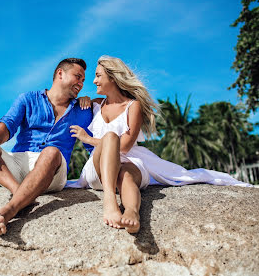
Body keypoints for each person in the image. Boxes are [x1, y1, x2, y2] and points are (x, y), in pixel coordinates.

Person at [67, 55, 252, 234]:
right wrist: (84, 100)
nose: (94, 81)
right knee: (110, 137)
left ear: (113, 77)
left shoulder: (133, 106)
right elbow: (71, 106)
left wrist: (89, 138)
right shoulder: (96, 104)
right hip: (99, 168)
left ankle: (132, 212)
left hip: (128, 159)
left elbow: (124, 146)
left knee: (126, 174)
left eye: (98, 75)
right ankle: (110, 201)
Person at [0, 58, 93, 236]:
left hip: (52, 170)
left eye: (83, 81)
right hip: (19, 163)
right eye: (78, 77)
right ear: (60, 74)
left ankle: (10, 209)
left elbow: (93, 143)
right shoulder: (28, 99)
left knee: (51, 151)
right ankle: (19, 192)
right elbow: (8, 124)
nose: (81, 83)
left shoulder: (83, 110)